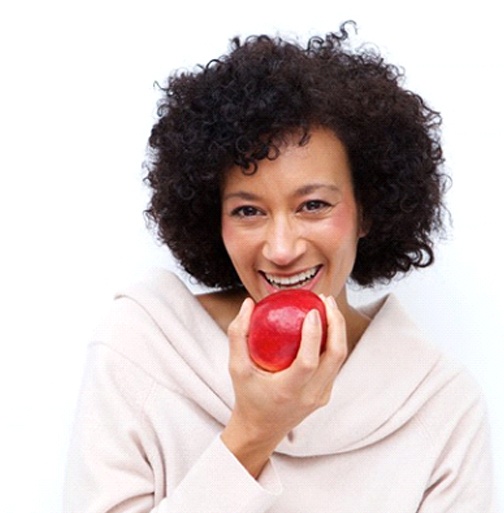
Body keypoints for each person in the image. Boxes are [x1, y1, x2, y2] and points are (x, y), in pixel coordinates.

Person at [63, 23, 496, 512]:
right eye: (249, 211)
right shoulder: (141, 348)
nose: (282, 248)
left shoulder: (440, 404)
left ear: (368, 209)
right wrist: (253, 432)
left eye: (313, 205)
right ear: (214, 218)